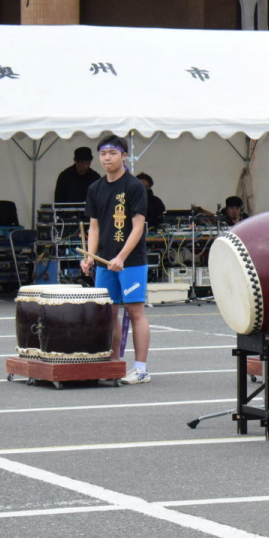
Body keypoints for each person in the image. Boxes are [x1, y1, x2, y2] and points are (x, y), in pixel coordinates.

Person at [80, 136, 151, 385]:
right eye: (103, 153)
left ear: (124, 156)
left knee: (135, 311)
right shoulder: (95, 188)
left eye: (112, 153)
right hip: (104, 262)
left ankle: (141, 368)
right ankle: (113, 364)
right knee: (108, 314)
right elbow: (94, 227)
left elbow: (138, 226)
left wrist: (121, 256)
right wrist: (90, 257)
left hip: (131, 261)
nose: (106, 158)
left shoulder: (134, 186)